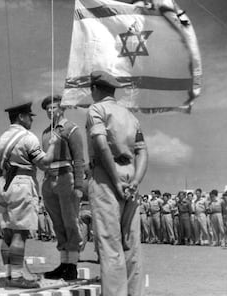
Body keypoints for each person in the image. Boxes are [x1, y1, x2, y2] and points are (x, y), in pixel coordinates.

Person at [86, 70, 148, 296]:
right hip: (131, 176)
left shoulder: (96, 109)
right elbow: (143, 152)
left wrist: (114, 179)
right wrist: (135, 180)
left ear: (94, 89)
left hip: (105, 177)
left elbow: (101, 146)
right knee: (132, 244)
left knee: (110, 245)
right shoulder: (130, 116)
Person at [0, 101, 58, 288]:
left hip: (4, 185)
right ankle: (18, 277)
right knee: (20, 233)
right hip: (22, 183)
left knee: (7, 233)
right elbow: (44, 163)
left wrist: (2, 186)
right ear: (21, 117)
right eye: (29, 116)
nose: (31, 119)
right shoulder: (29, 138)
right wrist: (52, 146)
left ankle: (9, 274)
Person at [41, 94, 85, 281]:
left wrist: (79, 186)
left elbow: (79, 160)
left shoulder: (71, 129)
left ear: (62, 108)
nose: (51, 111)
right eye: (47, 109)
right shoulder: (45, 133)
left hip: (66, 178)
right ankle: (63, 263)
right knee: (57, 224)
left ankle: (72, 265)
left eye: (54, 107)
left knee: (70, 221)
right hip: (49, 179)